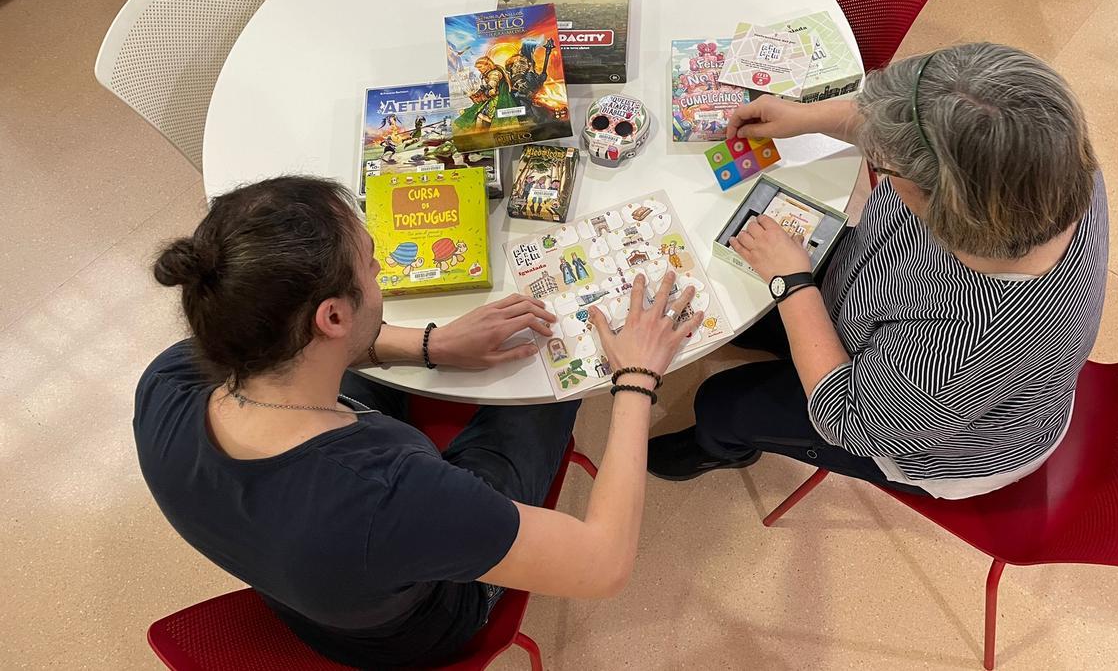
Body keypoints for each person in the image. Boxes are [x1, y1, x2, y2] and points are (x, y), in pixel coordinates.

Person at [134, 176, 702, 669]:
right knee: (545, 388)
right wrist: (634, 378)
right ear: (332, 316)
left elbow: (300, 346)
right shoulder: (393, 498)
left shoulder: (169, 383)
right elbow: (604, 564)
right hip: (424, 625)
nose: (382, 271)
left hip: (318, 595)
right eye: (373, 265)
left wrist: (432, 344)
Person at [649, 43, 1108, 500]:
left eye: (887, 167)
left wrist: (791, 284)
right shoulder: (1049, 159)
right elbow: (918, 128)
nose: (880, 164)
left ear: (942, 211)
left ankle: (720, 448)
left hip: (921, 437)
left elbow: (846, 418)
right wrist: (807, 117)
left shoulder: (972, 341)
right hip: (871, 309)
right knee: (744, 309)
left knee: (724, 403)